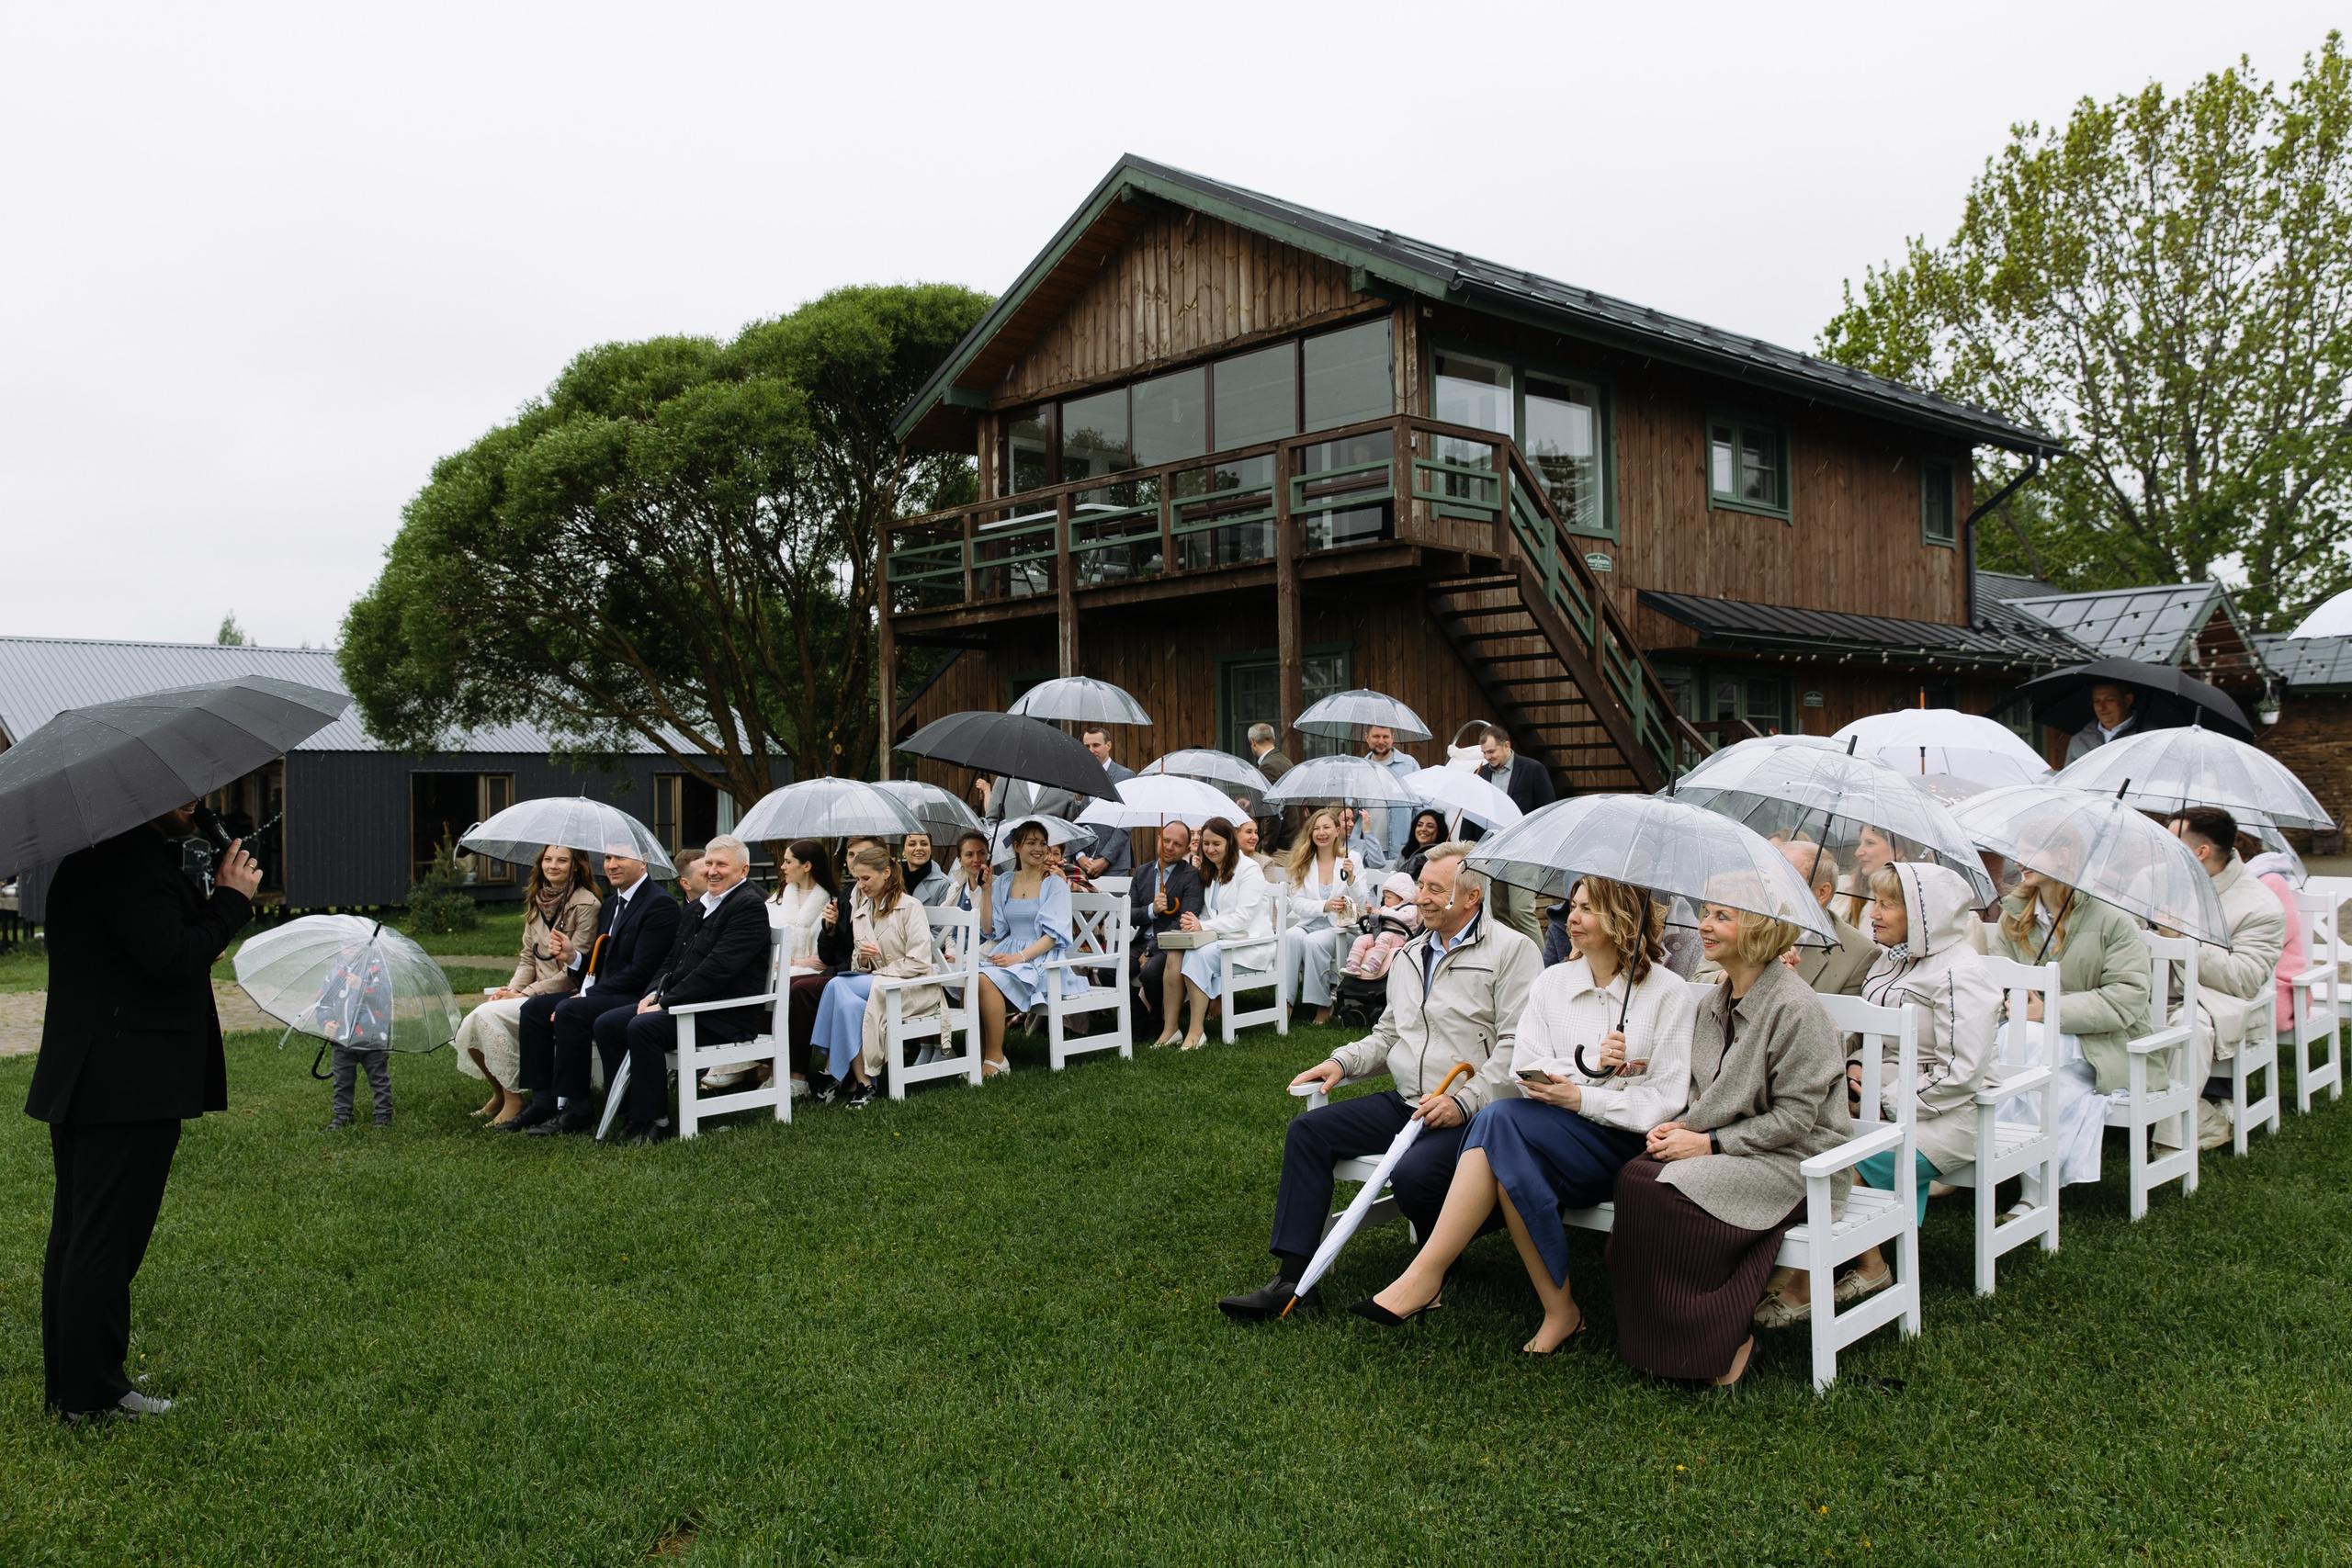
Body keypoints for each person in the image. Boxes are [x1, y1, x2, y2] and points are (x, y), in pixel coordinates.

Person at [1352, 876, 1699, 1351]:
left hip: (1625, 1142)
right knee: (1511, 1150)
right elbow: (1525, 1066)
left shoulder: (1667, 993)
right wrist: (1591, 1068)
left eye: (1588, 909)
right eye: (1572, 906)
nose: (1571, 919)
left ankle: (1428, 1276)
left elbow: (1668, 1096)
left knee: (1500, 1126)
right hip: (1551, 1129)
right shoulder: (1552, 982)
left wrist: (1586, 1096)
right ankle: (1559, 1313)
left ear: (1622, 919)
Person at [1216, 843, 1542, 1321]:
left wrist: (1466, 1103)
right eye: (1422, 886)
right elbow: (1390, 1033)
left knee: (1415, 1178)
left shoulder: (1513, 952)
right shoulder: (1410, 953)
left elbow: (1517, 1047)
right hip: (1409, 1101)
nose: (1422, 898)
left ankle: (1442, 1254)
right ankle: (1293, 1281)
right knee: (1309, 1133)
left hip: (1477, 1114)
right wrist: (1341, 1063)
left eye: (1436, 889)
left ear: (1472, 897)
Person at [29, 806, 261, 1420]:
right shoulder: (126, 861)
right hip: (124, 1080)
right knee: (104, 1240)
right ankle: (91, 1395)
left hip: (95, 1075)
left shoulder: (98, 856)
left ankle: (77, 1380)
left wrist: (202, 918)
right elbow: (171, 956)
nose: (195, 806)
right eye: (183, 798)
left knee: (80, 1234)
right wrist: (233, 901)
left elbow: (151, 950)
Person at [1605, 899, 1849, 1387]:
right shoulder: (1715, 1001)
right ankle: (1663, 1347)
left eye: (1723, 917)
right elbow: (1705, 1089)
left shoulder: (1796, 1008)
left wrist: (1710, 1143)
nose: (1705, 926)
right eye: (1707, 914)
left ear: (1759, 930)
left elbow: (1797, 1119)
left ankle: (1727, 1341)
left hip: (1799, 1162)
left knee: (1666, 1193)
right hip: (1736, 1147)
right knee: (1635, 1177)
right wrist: (1679, 1126)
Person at [1759, 863, 1996, 1325]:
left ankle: (1802, 1285)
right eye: (1875, 902)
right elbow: (1869, 1038)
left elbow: (1961, 1071)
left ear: (1927, 914)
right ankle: (1870, 1266)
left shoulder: (1961, 973)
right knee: (1807, 1147)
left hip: (1941, 1119)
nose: (1874, 914)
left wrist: (1882, 1101)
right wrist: (1853, 1070)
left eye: (1889, 905)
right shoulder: (1891, 959)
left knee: (1835, 1168)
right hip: (1873, 1107)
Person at [1983, 864, 2151, 1204]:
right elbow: (1992, 981)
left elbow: (2127, 997)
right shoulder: (2012, 914)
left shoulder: (2113, 919)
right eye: (2019, 851)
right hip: (2026, 1039)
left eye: (2033, 852)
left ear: (2064, 857)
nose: (2019, 862)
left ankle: (2025, 1187)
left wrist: (2046, 1012)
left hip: (2104, 1045)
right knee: (2025, 1047)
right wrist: (2012, 999)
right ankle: (2004, 1166)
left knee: (2029, 1045)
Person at [588, 836, 772, 1145]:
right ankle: (630, 1113)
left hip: (725, 1014)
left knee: (644, 1027)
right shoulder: (698, 907)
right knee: (607, 1024)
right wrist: (651, 994)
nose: (712, 871)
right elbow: (670, 961)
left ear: (744, 871)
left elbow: (716, 971)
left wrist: (666, 1003)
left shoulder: (747, 907)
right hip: (688, 1006)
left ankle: (655, 1120)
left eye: (722, 865)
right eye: (709, 863)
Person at [512, 845, 681, 1135]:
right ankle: (543, 1101)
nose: (611, 865)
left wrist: (589, 995)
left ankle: (577, 1109)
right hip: (607, 991)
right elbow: (599, 965)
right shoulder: (613, 906)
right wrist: (572, 956)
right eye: (608, 858)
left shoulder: (659, 905)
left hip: (638, 995)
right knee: (533, 1009)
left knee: (570, 1010)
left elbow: (640, 973)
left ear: (644, 860)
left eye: (620, 858)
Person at [2165, 807, 2287, 1150]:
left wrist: (2181, 940)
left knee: (2190, 1027)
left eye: (2171, 841)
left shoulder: (2260, 905)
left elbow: (2244, 979)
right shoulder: (2152, 880)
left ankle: (2172, 1145)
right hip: (2148, 990)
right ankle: (2202, 1116)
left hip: (2215, 1001)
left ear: (2200, 852)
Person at [454, 842, 601, 1126]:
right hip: (530, 994)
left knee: (485, 1018)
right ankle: (499, 1093)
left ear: (577, 866)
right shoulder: (539, 899)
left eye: (562, 860)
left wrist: (524, 993)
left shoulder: (586, 904)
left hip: (565, 994)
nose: (552, 866)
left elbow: (575, 969)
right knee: (471, 1022)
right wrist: (510, 990)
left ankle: (514, 1101)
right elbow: (526, 959)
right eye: (548, 859)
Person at [809, 844, 943, 1108]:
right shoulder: (862, 910)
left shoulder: (911, 907)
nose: (860, 885)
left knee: (837, 984)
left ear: (887, 873)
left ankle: (831, 1068)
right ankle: (865, 1084)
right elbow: (859, 963)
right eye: (857, 879)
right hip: (877, 987)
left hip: (913, 989)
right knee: (849, 1005)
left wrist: (879, 970)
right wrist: (864, 958)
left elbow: (919, 961)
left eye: (866, 878)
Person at [974, 819, 1086, 1076]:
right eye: (1031, 843)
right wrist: (987, 891)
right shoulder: (1004, 882)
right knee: (973, 977)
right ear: (1016, 846)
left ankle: (996, 1058)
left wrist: (1018, 958)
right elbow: (991, 930)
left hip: (1042, 959)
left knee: (983, 979)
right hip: (1009, 952)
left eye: (1043, 844)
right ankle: (980, 1055)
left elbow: (1052, 938)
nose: (1039, 849)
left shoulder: (1055, 884)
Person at [1697, 843, 1876, 998]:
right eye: (1766, 877)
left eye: (1783, 880)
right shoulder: (1745, 923)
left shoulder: (1859, 953)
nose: (1768, 888)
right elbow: (1699, 979)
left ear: (1822, 892)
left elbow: (1847, 1033)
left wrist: (1792, 987)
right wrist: (1748, 976)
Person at [1159, 817, 1277, 1050]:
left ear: (1229, 843)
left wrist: (1204, 927)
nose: (1210, 849)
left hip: (1249, 943)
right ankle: (1170, 1029)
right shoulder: (1212, 870)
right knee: (1175, 953)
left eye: (1216, 844)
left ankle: (1196, 1031)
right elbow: (1210, 914)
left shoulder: (1249, 870)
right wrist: (1193, 923)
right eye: (1206, 844)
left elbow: (1243, 917)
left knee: (1198, 955)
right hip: (1221, 939)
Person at [1277, 807, 1368, 1026]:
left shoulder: (1351, 858)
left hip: (1340, 930)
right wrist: (1324, 905)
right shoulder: (1304, 861)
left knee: (1313, 942)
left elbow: (1364, 903)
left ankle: (1324, 1004)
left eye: (1327, 827)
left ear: (1338, 830)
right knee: (1289, 937)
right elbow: (1297, 903)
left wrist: (1351, 878)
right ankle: (1286, 1004)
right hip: (1310, 923)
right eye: (1316, 828)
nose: (1321, 832)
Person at [1473, 726, 1555, 944]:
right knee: (1500, 913)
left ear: (1506, 745)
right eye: (1484, 753)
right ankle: (1513, 961)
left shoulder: (1533, 769)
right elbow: (1474, 813)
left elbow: (1547, 810)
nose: (1488, 757)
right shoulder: (1481, 773)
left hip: (1524, 851)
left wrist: (1540, 846)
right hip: (1494, 853)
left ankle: (1541, 965)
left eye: (1492, 752)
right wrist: (1472, 848)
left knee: (1520, 911)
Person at [1129, 821, 1204, 1042]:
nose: (1170, 847)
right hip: (1140, 940)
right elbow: (1131, 914)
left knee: (1151, 973)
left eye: (1177, 844)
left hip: (1170, 944)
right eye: (1166, 840)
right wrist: (1152, 910)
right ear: (1159, 839)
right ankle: (1141, 1019)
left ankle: (1160, 1022)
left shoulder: (1191, 875)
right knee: (1109, 971)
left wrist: (1151, 950)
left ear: (1186, 848)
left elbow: (1186, 918)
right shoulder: (1142, 872)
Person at [317, 943, 397, 1129]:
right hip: (342, 1037)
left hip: (372, 1037)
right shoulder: (334, 974)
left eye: (354, 944)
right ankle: (342, 1115)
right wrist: (327, 1022)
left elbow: (384, 997)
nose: (348, 948)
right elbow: (324, 1002)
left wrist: (362, 986)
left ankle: (383, 1116)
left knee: (379, 1079)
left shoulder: (377, 970)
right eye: (344, 944)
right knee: (342, 1080)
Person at [1074, 726, 1137, 879]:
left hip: (1115, 863)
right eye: (1087, 746)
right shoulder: (1077, 776)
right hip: (1082, 864)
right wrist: (1079, 855)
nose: (1091, 750)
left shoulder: (1126, 776)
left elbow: (1126, 823)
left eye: (1096, 745)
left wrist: (1106, 859)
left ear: (1108, 745)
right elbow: (1072, 819)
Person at [1342, 873, 1421, 979]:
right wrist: (1372, 913)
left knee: (1384, 938)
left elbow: (1404, 917)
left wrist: (1382, 913)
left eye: (1389, 897)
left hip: (1400, 936)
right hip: (1381, 934)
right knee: (1361, 939)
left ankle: (1375, 963)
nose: (1385, 900)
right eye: (1385, 897)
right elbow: (1379, 920)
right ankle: (1353, 965)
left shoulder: (1410, 908)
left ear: (1402, 897)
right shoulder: (1385, 908)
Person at [1361, 725, 1419, 857]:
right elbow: (1349, 808)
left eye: (1385, 736)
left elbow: (1421, 806)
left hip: (1403, 848)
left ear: (1392, 737)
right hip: (1367, 848)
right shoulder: (1360, 768)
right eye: (1376, 736)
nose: (1381, 741)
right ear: (1367, 737)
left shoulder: (1409, 764)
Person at [2064, 682, 2143, 765]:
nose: (2101, 707)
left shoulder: (2149, 735)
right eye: (2096, 701)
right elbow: (2069, 777)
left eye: (2109, 700)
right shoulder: (2080, 739)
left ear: (2128, 700)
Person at [1246, 722, 1294, 851]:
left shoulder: (1268, 767)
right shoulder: (1285, 761)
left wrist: (1266, 847)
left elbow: (1273, 811)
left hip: (1277, 847)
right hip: (1289, 840)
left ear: (1253, 742)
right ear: (1273, 739)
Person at [1396, 808, 1448, 883]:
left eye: (1430, 826)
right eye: (1419, 825)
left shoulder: (1445, 856)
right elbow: (1393, 878)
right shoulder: (1404, 853)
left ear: (1440, 831)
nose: (1423, 829)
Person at [900, 831, 951, 907]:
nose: (919, 848)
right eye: (912, 844)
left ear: (930, 849)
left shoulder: (944, 884)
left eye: (924, 844)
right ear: (903, 851)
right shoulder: (891, 881)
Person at [1338, 806, 1391, 871]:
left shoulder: (1360, 845)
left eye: (1353, 820)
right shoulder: (1324, 846)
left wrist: (1367, 831)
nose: (1351, 824)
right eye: (1346, 819)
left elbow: (1378, 863)